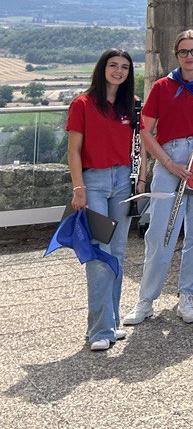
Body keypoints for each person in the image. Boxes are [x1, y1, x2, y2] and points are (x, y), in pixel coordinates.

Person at [124, 30, 193, 326]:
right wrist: (167, 163)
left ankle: (188, 295)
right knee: (159, 231)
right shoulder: (162, 86)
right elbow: (145, 130)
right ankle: (146, 298)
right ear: (177, 55)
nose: (189, 56)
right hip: (170, 158)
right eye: (184, 52)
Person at [65, 48, 136, 350]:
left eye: (124, 67)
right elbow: (73, 150)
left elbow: (138, 148)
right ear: (102, 68)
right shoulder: (82, 103)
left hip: (122, 182)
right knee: (98, 251)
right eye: (113, 66)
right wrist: (78, 187)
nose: (118, 71)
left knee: (117, 251)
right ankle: (99, 331)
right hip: (93, 183)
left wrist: (140, 180)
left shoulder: (130, 105)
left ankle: (111, 322)